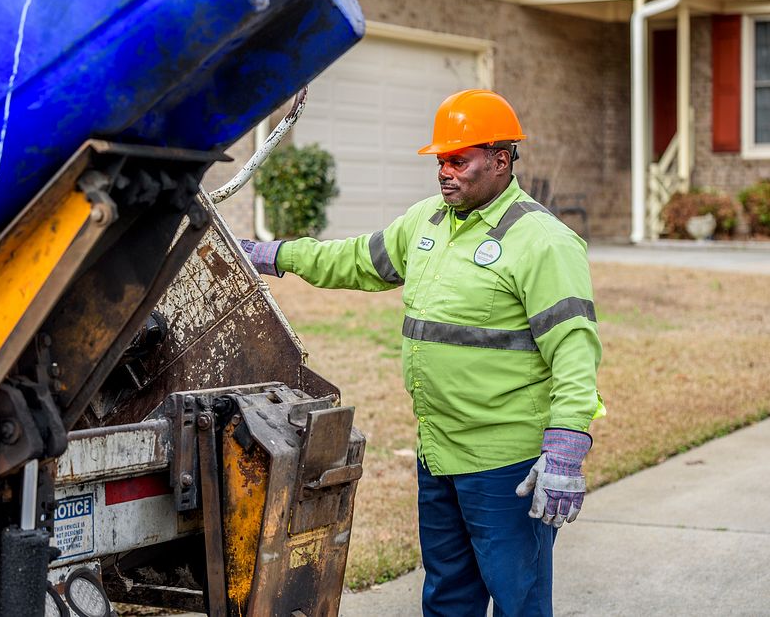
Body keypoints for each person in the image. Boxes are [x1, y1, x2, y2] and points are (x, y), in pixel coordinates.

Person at [239, 88, 605, 616]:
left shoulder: (543, 241)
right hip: (438, 454)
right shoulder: (427, 222)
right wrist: (274, 254)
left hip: (505, 464)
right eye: (441, 161)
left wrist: (567, 448)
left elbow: (574, 350)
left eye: (459, 160)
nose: (445, 172)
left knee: (518, 599)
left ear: (501, 160)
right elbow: (356, 260)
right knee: (447, 594)